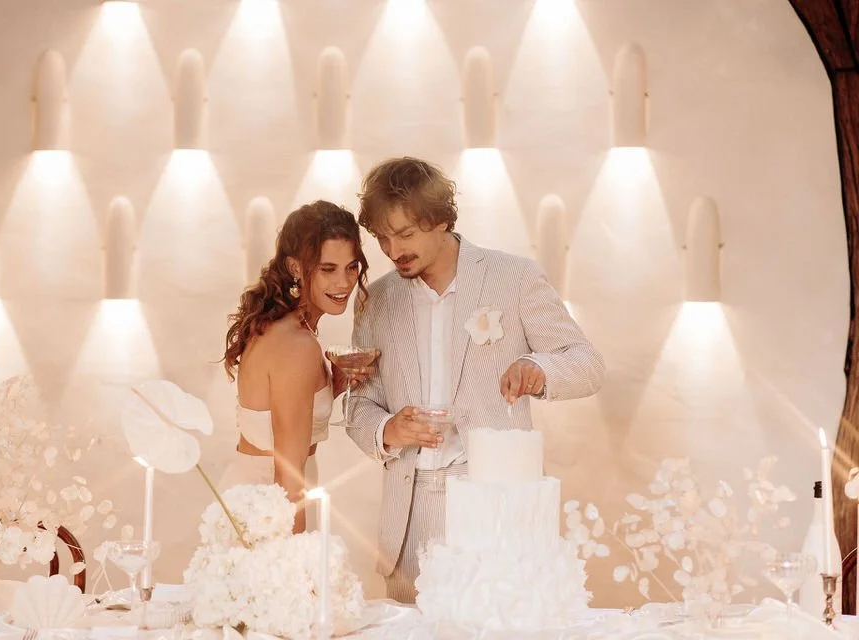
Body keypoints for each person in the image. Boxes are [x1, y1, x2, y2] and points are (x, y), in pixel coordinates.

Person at [346, 157, 605, 602]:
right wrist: (387, 428)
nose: (392, 250)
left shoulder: (515, 278)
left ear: (441, 219)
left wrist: (539, 369)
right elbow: (358, 403)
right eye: (383, 238)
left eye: (405, 234)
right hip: (409, 521)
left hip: (495, 508)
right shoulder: (377, 300)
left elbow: (586, 362)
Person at [221, 200, 370, 533]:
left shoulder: (285, 328)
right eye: (327, 269)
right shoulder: (298, 346)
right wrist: (295, 565)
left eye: (351, 267)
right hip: (272, 504)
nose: (344, 282)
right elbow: (288, 474)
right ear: (295, 268)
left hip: (261, 493)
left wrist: (333, 384)